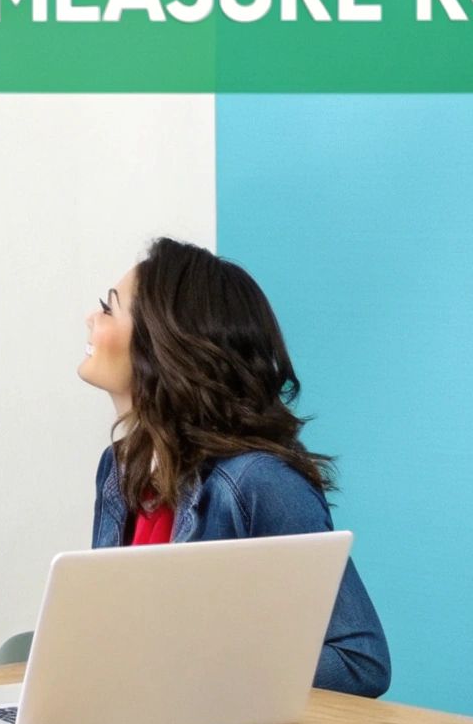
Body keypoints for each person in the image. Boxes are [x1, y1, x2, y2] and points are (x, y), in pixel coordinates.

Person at [77, 237, 391, 696]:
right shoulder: (120, 467)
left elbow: (360, 661)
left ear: (163, 343)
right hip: (139, 721)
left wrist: (205, 668)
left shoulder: (259, 482)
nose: (91, 318)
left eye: (109, 308)